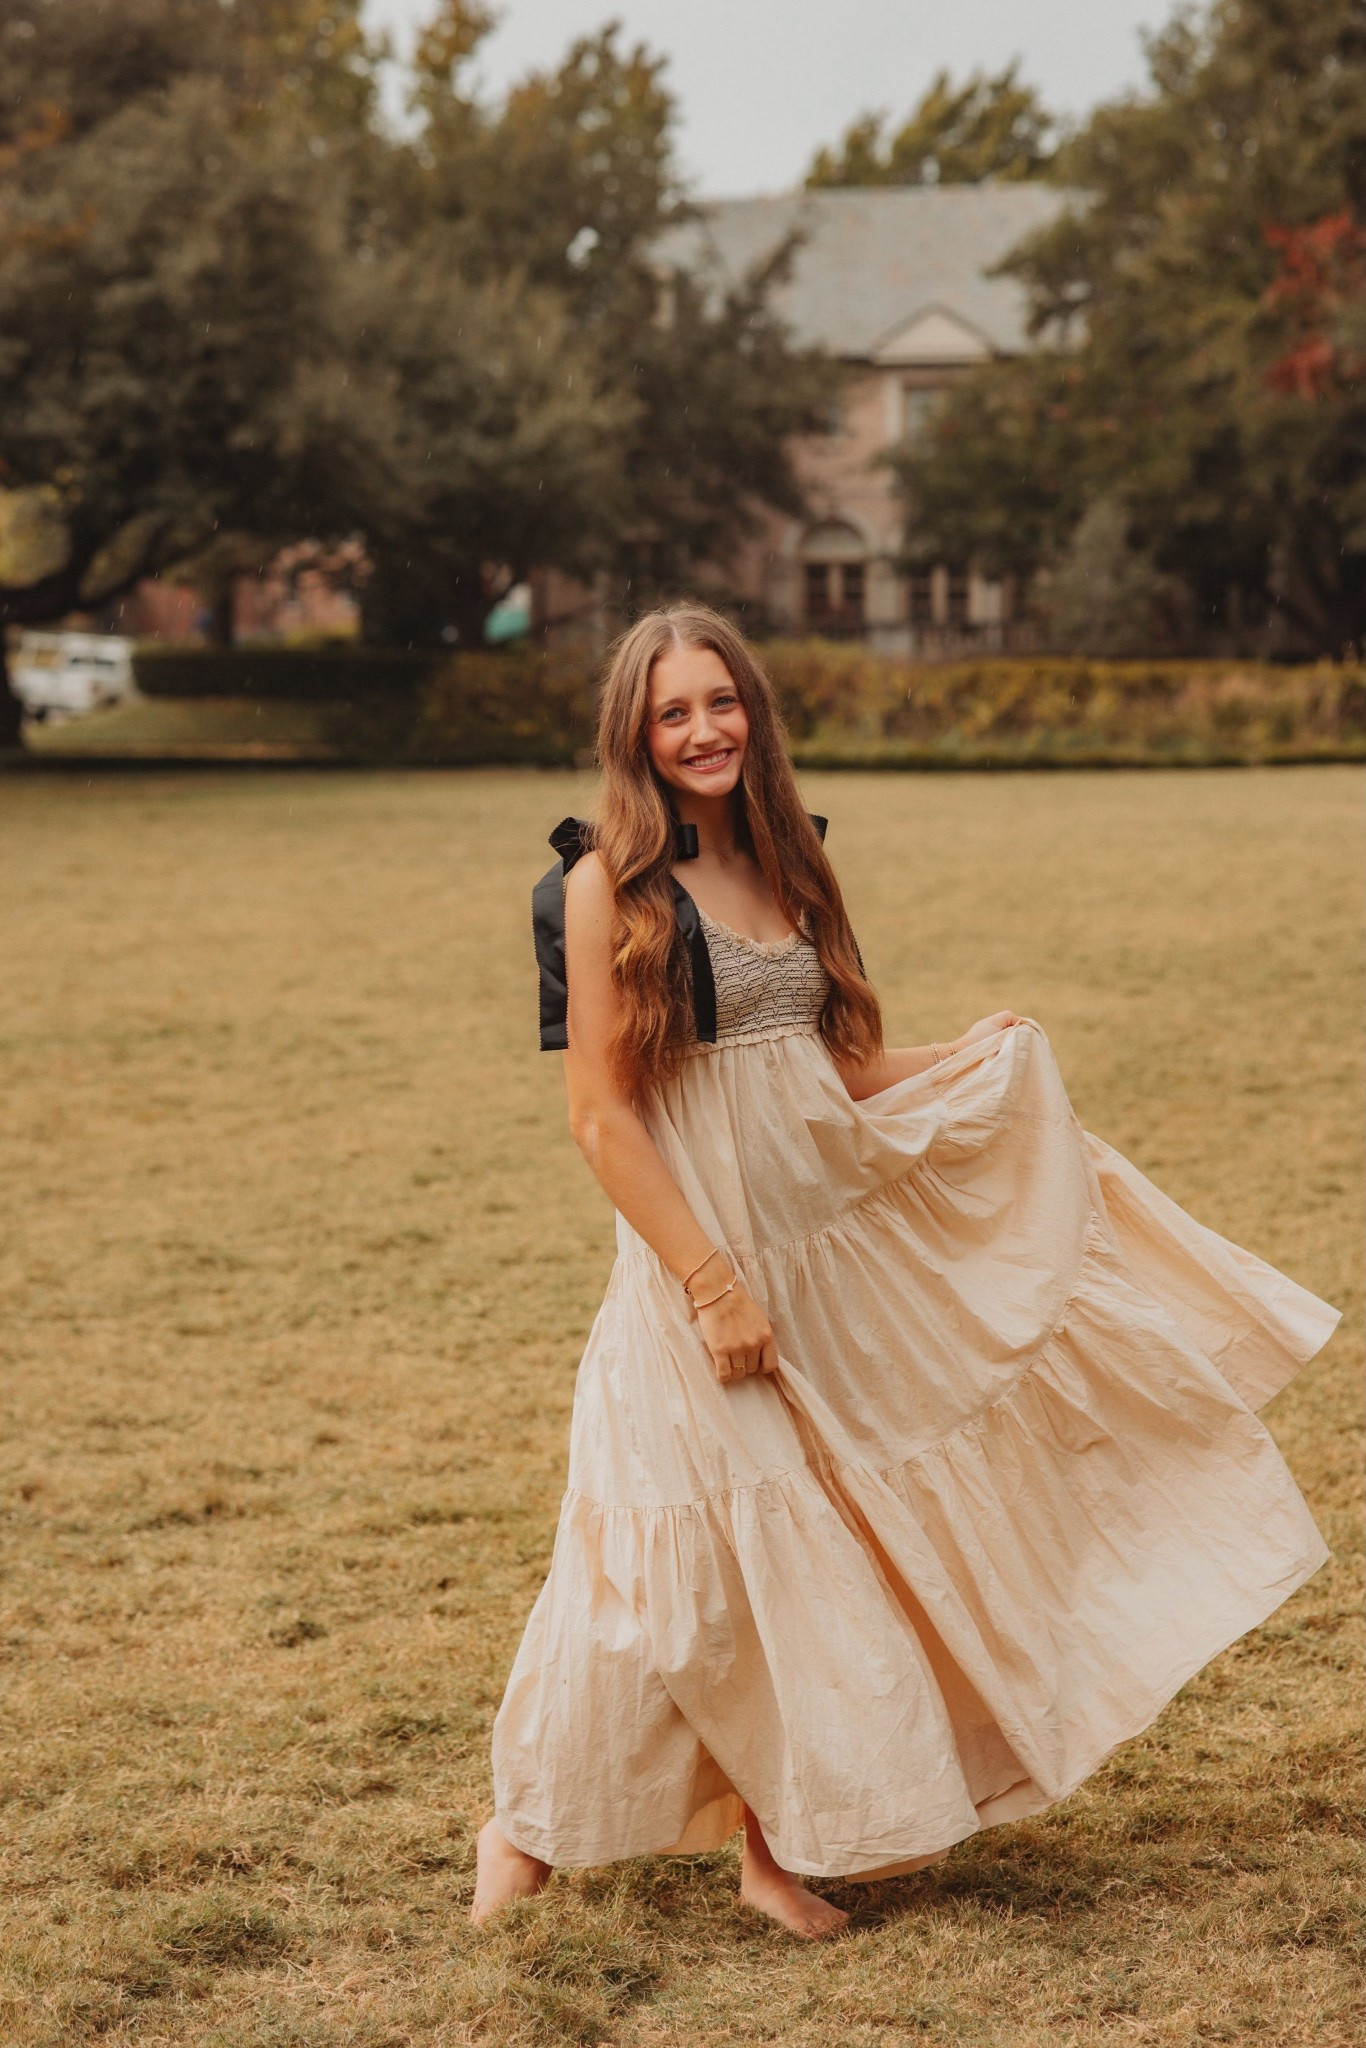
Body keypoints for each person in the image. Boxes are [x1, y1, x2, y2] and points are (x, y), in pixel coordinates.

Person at [471, 603, 1339, 1938]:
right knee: (675, 1559)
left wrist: (977, 1050)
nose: (702, 729)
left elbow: (846, 1068)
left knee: (820, 1550)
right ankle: (523, 1828)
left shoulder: (790, 860)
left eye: (720, 702)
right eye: (671, 713)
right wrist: (710, 1285)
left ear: (751, 712)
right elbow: (601, 1116)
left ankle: (771, 1856)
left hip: (831, 1249)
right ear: (634, 738)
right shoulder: (600, 886)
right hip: (699, 1257)